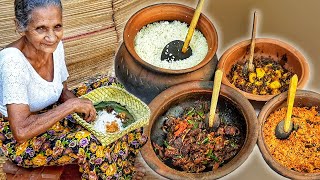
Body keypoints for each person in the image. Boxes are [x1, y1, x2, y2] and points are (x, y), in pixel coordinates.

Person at [0, 0, 147, 179]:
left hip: (51, 110)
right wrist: (72, 107)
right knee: (88, 143)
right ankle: (114, 174)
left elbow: (61, 90)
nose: (52, 37)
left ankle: (122, 164)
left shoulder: (54, 46)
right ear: (20, 27)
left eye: (57, 26)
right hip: (21, 138)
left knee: (110, 86)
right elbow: (21, 131)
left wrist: (84, 112)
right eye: (41, 28)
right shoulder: (12, 62)